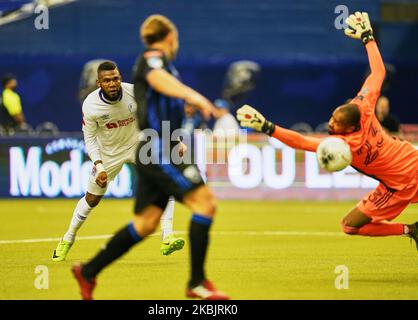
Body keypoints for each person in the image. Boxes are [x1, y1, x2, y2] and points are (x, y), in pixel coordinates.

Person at [71, 14, 229, 300]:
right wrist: (196, 98)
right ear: (171, 37)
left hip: (156, 145)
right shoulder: (153, 58)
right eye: (176, 38)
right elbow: (157, 79)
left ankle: (89, 271)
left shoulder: (163, 64)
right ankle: (196, 283)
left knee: (145, 224)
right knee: (205, 204)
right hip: (157, 147)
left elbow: (164, 92)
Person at [237, 12, 418, 246]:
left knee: (350, 226)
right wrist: (367, 36)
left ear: (350, 128)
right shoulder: (363, 104)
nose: (330, 123)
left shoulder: (346, 145)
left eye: (335, 124)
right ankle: (412, 229)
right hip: (411, 159)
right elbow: (378, 73)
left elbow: (301, 142)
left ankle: (410, 230)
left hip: (399, 184)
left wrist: (266, 126)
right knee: (349, 225)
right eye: (332, 118)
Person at [52, 61, 185, 262]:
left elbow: (156, 114)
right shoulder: (91, 105)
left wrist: (176, 140)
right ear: (99, 83)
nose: (112, 83)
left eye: (115, 78)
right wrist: (99, 165)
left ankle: (167, 237)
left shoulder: (133, 93)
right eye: (107, 80)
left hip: (138, 143)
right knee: (92, 199)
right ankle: (67, 238)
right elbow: (89, 138)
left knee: (164, 180)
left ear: (120, 78)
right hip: (109, 153)